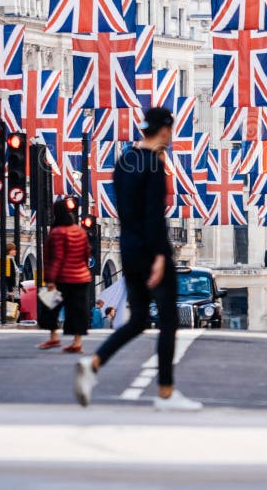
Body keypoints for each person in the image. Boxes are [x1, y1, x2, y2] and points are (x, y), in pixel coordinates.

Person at [74, 107, 202, 412]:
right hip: (151, 250)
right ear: (163, 130)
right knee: (169, 319)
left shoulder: (124, 162)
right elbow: (154, 216)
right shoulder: (154, 164)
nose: (170, 137)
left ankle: (93, 363)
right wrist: (160, 255)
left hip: (128, 248)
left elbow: (129, 212)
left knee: (140, 319)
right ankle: (166, 392)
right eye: (169, 131)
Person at [41, 198, 92, 353]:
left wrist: (51, 280)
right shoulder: (80, 231)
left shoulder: (57, 233)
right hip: (82, 277)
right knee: (77, 310)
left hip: (64, 278)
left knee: (50, 306)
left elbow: (57, 257)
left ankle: (54, 337)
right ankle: (77, 342)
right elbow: (86, 254)